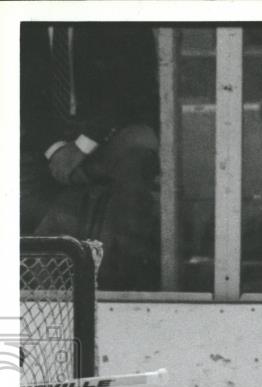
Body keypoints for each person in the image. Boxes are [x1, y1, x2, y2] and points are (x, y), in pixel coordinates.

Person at [20, 23, 160, 291]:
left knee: (138, 156)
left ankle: (126, 291)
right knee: (18, 201)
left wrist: (83, 146)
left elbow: (132, 86)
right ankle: (30, 300)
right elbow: (21, 99)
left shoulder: (115, 16)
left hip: (112, 131)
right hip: (47, 142)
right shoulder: (22, 23)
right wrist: (55, 149)